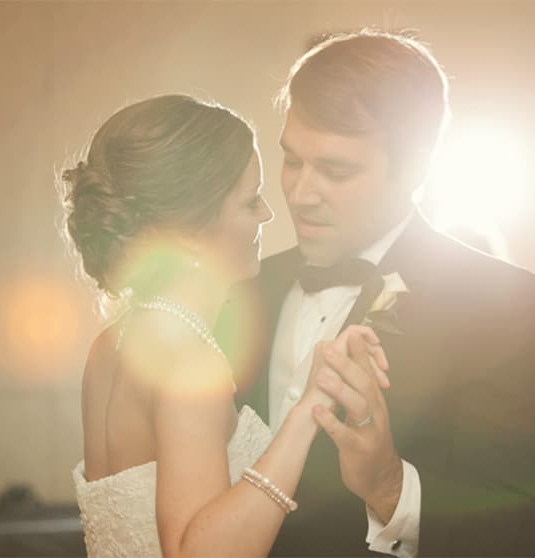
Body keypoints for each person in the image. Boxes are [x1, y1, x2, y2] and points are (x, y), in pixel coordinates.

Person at [217, 29, 535, 557]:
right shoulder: (244, 290)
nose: (300, 193)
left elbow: (529, 534)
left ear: (415, 168)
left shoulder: (504, 306)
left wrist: (388, 485)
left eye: (336, 170)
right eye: (292, 160)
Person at [61, 94, 389, 557]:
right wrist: (308, 410)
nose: (268, 215)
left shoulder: (111, 345)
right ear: (191, 228)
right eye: (250, 201)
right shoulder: (190, 362)